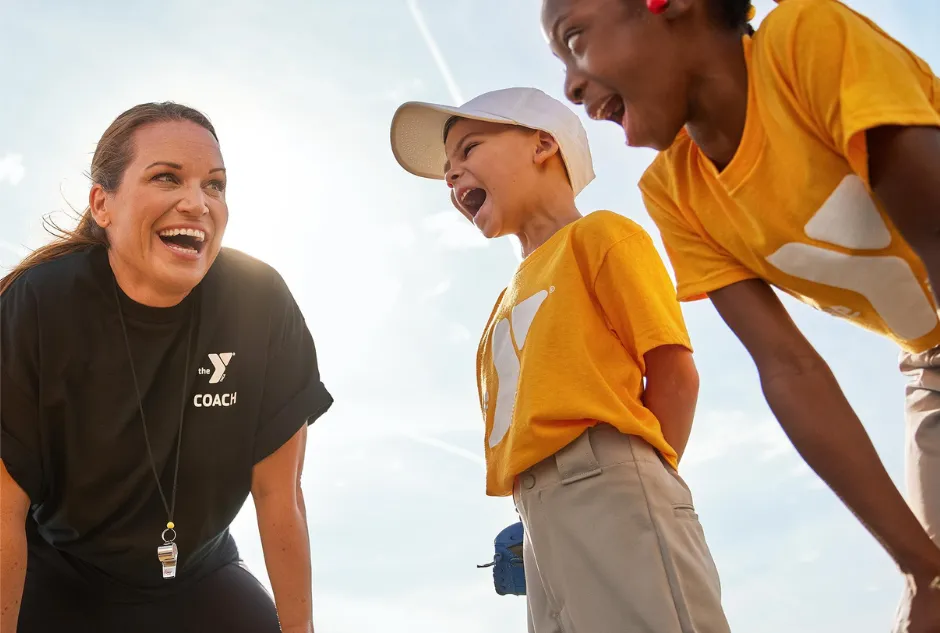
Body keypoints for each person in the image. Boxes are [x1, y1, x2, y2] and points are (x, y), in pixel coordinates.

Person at [539, 0, 940, 629]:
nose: (570, 83)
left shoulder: (803, 39)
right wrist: (922, 569)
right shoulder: (674, 191)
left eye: (575, 39)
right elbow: (789, 368)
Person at [390, 86, 732, 633]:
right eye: (447, 171)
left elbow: (674, 372)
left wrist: (635, 488)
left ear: (543, 145)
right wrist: (543, 512)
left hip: (610, 483)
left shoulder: (600, 236)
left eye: (469, 149)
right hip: (538, 511)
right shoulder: (504, 302)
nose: (452, 177)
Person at [0, 102, 333, 633]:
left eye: (215, 185)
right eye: (166, 178)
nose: (197, 203)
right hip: (64, 576)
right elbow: (3, 509)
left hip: (200, 575)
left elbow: (281, 496)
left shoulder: (259, 301)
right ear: (102, 205)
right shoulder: (37, 304)